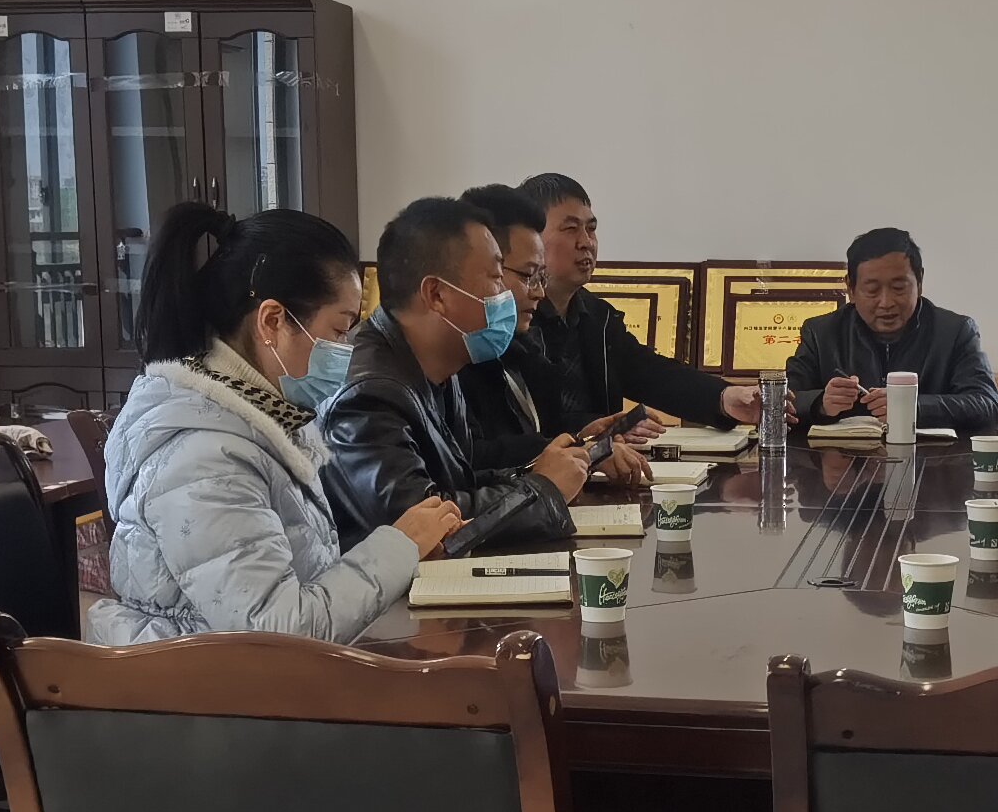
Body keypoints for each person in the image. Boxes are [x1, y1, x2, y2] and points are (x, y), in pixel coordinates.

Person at [94, 204, 459, 645]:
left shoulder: (264, 418)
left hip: (243, 674)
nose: (348, 349)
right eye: (340, 330)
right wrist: (400, 548)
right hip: (204, 683)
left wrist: (401, 554)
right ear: (273, 321)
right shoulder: (203, 457)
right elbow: (276, 634)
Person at [317, 196, 587, 554]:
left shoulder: (442, 365)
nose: (505, 296)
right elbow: (426, 524)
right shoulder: (368, 395)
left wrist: (535, 471)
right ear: (437, 294)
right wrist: (542, 490)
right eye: (496, 279)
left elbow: (460, 481)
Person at [517, 174, 765, 430]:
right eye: (571, 229)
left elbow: (651, 374)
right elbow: (521, 423)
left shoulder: (596, 316)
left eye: (591, 229)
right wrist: (600, 429)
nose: (587, 242)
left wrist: (724, 398)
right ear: (530, 238)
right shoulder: (512, 321)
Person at [456, 184, 649, 486]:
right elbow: (467, 458)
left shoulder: (519, 345)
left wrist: (581, 436)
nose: (538, 293)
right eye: (528, 276)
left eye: (541, 277)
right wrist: (576, 450)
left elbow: (539, 427)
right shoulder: (445, 360)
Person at [786, 228, 998, 434]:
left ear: (920, 282)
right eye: (872, 290)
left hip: (931, 458)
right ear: (851, 289)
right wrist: (820, 404)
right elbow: (785, 401)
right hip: (841, 458)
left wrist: (912, 407)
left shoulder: (955, 331)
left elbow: (987, 404)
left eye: (899, 288)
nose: (886, 302)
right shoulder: (821, 333)